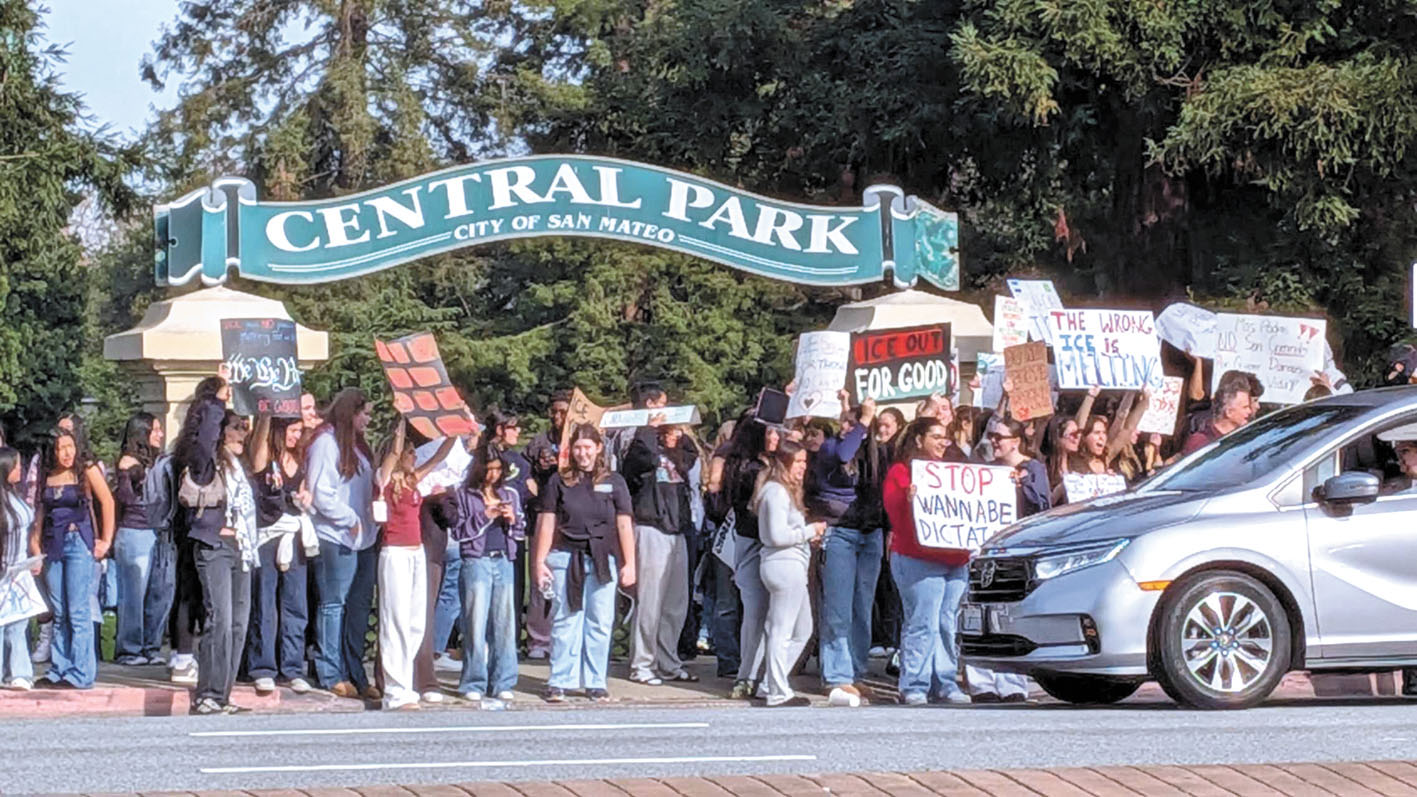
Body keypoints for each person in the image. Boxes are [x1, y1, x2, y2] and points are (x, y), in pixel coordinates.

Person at [531, 424, 636, 703]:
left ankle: (595, 681)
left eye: (588, 447)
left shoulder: (614, 481)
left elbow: (624, 524)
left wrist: (630, 563)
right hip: (567, 556)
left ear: (598, 448)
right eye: (578, 447)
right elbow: (548, 522)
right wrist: (540, 561)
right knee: (566, 620)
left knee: (600, 622)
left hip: (603, 558)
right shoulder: (559, 481)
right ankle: (560, 680)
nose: (583, 453)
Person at [175, 378, 259, 714]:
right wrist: (217, 399)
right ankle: (207, 693)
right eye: (236, 428)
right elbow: (206, 433)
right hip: (215, 546)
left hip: (242, 548)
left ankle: (223, 693)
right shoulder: (206, 460)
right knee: (219, 620)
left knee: (239, 623)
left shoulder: (240, 464)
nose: (242, 434)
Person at [881, 416, 972, 705]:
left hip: (956, 560)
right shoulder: (901, 472)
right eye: (935, 436)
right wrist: (909, 500)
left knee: (947, 623)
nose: (942, 442)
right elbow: (894, 514)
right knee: (923, 622)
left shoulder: (953, 470)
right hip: (917, 558)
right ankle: (914, 684)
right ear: (919, 439)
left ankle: (945, 681)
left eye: (945, 437)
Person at [374, 419, 455, 710]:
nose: (413, 456)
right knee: (395, 619)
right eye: (410, 452)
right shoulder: (384, 481)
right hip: (394, 553)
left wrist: (454, 431)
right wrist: (400, 427)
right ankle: (394, 692)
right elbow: (392, 457)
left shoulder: (413, 481)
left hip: (415, 552)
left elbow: (440, 456)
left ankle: (406, 683)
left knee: (415, 621)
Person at [305, 388, 378, 700]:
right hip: (336, 537)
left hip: (364, 538)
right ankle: (329, 670)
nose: (368, 419)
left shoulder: (359, 448)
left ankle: (355, 670)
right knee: (333, 605)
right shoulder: (326, 442)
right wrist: (349, 518)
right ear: (351, 412)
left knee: (358, 608)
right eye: (365, 413)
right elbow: (321, 492)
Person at [812, 393, 884, 706]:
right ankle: (836, 675)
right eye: (845, 421)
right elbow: (844, 454)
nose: (847, 427)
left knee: (861, 608)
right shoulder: (831, 447)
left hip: (869, 532)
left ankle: (855, 672)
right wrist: (862, 420)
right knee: (838, 609)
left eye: (853, 423)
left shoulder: (871, 451)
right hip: (840, 533)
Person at [31, 424, 115, 689]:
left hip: (78, 541)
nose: (65, 453)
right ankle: (59, 668)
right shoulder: (48, 475)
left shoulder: (86, 470)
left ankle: (81, 672)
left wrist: (105, 541)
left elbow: (108, 502)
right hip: (52, 545)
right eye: (59, 448)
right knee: (59, 609)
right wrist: (34, 547)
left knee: (78, 609)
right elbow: (40, 514)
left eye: (69, 446)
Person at [621, 419, 699, 686]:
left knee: (676, 603)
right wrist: (648, 429)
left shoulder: (679, 458)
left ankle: (668, 661)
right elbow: (638, 459)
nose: (672, 435)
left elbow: (692, 453)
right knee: (650, 601)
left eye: (675, 430)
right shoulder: (644, 457)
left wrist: (681, 431)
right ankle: (643, 663)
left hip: (677, 530)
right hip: (651, 526)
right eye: (667, 431)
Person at [243, 416, 317, 695]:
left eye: (300, 431)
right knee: (265, 602)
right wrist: (265, 413)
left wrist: (305, 497)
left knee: (295, 603)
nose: (297, 436)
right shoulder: (266, 458)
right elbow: (259, 443)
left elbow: (303, 490)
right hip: (268, 536)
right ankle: (263, 667)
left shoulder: (301, 460)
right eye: (293, 430)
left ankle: (292, 666)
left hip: (296, 535)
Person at [451, 453, 525, 704]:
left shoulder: (510, 494)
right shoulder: (465, 494)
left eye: (497, 469)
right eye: (489, 469)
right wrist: (486, 515)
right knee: (475, 621)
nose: (493, 474)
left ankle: (503, 680)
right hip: (476, 559)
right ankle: (473, 680)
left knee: (504, 623)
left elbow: (520, 531)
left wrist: (512, 520)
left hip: (503, 558)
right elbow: (459, 532)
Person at [755, 441, 824, 708]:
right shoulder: (775, 493)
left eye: (804, 462)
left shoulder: (783, 492)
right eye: (798, 462)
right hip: (783, 565)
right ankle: (777, 690)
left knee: (803, 629)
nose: (802, 468)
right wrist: (810, 531)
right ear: (784, 464)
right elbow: (776, 536)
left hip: (792, 564)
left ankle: (771, 682)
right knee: (781, 630)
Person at [722, 416, 777, 699]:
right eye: (770, 433)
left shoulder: (736, 465)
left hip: (745, 543)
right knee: (759, 615)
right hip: (759, 544)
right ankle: (750, 676)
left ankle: (749, 674)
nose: (776, 437)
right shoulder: (756, 470)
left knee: (753, 615)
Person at [111, 412, 166, 665]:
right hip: (135, 532)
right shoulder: (129, 463)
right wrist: (128, 474)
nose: (160, 434)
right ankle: (129, 649)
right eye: (154, 430)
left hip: (158, 531)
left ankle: (151, 647)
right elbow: (124, 499)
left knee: (158, 592)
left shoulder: (158, 462)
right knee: (133, 593)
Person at [522, 389, 571, 660]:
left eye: (563, 411)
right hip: (543, 517)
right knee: (541, 579)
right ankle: (538, 640)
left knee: (569, 581)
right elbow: (523, 474)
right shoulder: (539, 442)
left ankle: (565, 638)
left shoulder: (580, 440)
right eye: (554, 411)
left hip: (572, 519)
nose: (557, 416)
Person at [868, 408, 906, 663]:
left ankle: (892, 639)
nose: (882, 430)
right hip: (875, 524)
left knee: (892, 586)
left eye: (887, 425)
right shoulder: (874, 451)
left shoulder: (898, 455)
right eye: (878, 425)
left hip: (892, 527)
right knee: (878, 584)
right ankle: (880, 637)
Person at [0, 447, 36, 689]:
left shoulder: (16, 496)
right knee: (4, 622)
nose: (20, 469)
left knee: (19, 621)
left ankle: (20, 672)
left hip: (20, 568)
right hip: (5, 570)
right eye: (16, 465)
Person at [1181, 376, 1252, 455]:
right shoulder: (1200, 442)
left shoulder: (1245, 439)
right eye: (1245, 407)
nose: (1249, 411)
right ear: (1229, 412)